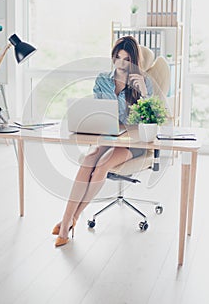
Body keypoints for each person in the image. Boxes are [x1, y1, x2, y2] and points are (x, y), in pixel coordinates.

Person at [52, 36, 153, 247]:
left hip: (133, 141)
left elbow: (151, 119)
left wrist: (143, 93)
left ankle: (70, 221)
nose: (120, 63)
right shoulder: (102, 79)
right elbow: (99, 112)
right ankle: (67, 217)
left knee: (102, 166)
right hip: (109, 134)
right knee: (89, 159)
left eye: (126, 59)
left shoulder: (145, 83)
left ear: (134, 60)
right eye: (117, 57)